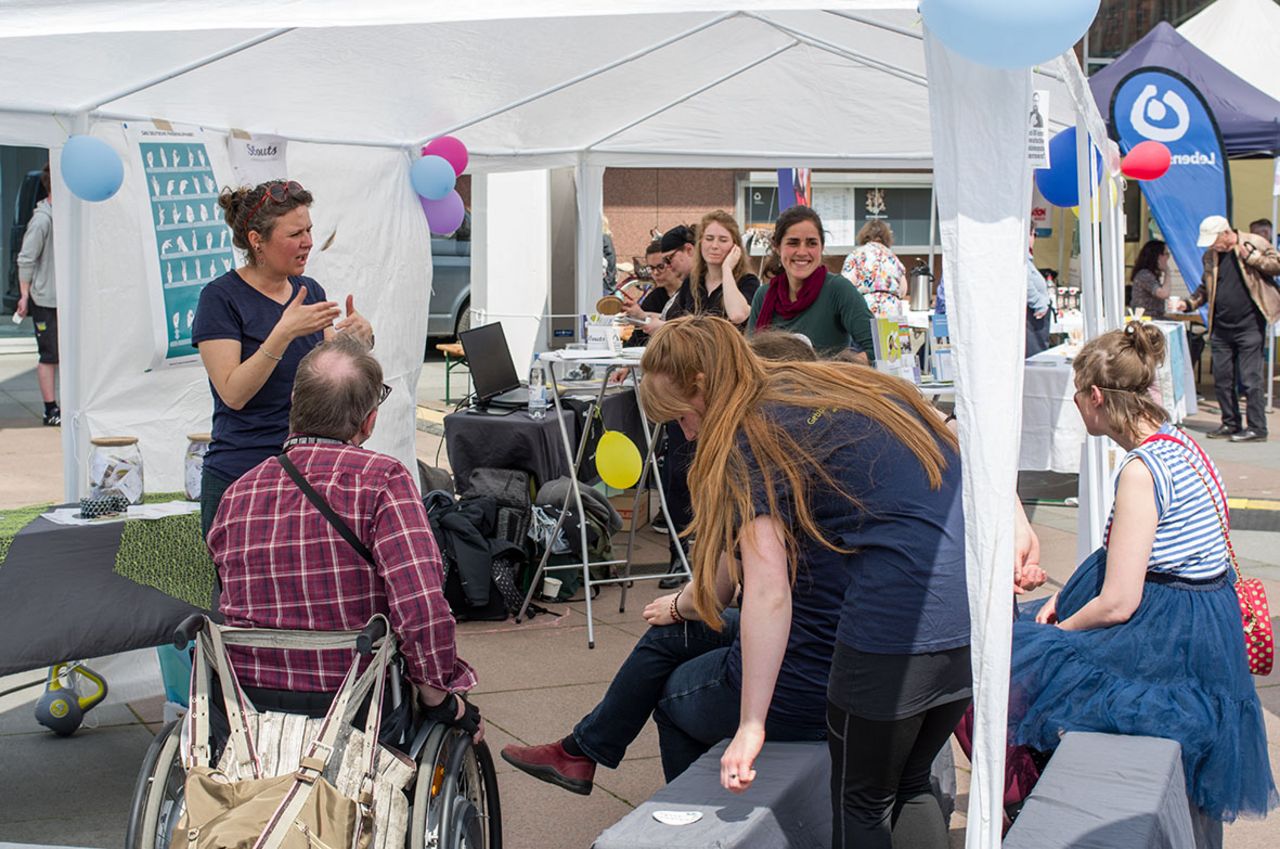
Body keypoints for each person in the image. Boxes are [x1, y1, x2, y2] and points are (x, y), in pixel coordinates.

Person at [652, 316, 968, 849]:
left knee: (863, 803)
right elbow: (956, 430)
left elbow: (769, 593)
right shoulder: (833, 381)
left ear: (702, 386)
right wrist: (1017, 524)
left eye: (681, 415)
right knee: (910, 783)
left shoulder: (749, 437)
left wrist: (751, 723)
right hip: (970, 616)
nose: (685, 433)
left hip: (892, 628)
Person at [1008, 323, 1275, 839]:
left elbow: (1118, 602)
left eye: (1076, 396)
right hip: (1206, 625)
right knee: (1194, 780)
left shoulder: (1141, 470)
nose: (1076, 407)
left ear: (1096, 396)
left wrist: (1060, 631)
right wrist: (1066, 595)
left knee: (1023, 655)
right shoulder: (1183, 443)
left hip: (1164, 636)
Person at [207, 334, 478, 726]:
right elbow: (420, 606)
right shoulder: (383, 481)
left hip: (249, 703)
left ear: (294, 404)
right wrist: (437, 691)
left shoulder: (238, 493)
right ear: (369, 422)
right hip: (357, 701)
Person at [192, 179, 373, 535]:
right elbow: (233, 393)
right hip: (242, 476)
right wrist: (284, 332)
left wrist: (358, 341)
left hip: (309, 475)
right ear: (257, 240)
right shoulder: (220, 298)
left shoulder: (310, 291)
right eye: (295, 234)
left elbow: (328, 379)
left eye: (309, 230)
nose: (308, 242)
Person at [1175, 215, 1280, 443]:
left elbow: (1276, 266)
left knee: (1250, 378)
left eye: (1214, 241)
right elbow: (1205, 288)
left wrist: (1252, 257)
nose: (1213, 246)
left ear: (1225, 233)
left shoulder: (1253, 242)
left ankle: (1257, 428)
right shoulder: (1210, 256)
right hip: (1221, 326)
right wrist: (1189, 303)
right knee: (1223, 379)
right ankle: (1230, 422)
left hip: (1250, 324)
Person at [749, 206, 875, 360]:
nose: (802, 252)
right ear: (777, 247)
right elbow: (749, 357)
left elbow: (880, 347)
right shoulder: (763, 296)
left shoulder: (838, 290)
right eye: (793, 243)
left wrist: (837, 368)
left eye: (811, 243)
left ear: (822, 247)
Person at [14, 164, 60, 427]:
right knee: (49, 355)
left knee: (66, 355)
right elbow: (26, 258)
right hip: (45, 299)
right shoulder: (43, 220)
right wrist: (24, 296)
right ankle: (50, 409)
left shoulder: (65, 219)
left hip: (63, 300)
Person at [667, 210, 760, 326]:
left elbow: (738, 315)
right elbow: (673, 320)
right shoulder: (692, 281)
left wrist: (727, 269)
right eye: (709, 239)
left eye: (723, 240)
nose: (714, 246)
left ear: (735, 246)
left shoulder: (748, 282)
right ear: (700, 243)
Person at [621, 238, 682, 347]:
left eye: (661, 267)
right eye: (651, 268)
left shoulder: (691, 293)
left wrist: (644, 316)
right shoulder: (654, 297)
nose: (655, 273)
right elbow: (636, 340)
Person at [841, 220, 907, 318]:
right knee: (890, 329)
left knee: (867, 329)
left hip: (865, 309)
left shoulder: (856, 255)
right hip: (892, 311)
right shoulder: (893, 257)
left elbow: (846, 286)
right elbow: (903, 290)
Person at [1128, 239, 1171, 319]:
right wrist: (1167, 271)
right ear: (1157, 256)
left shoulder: (1151, 275)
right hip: (1146, 320)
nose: (1168, 258)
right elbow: (1164, 294)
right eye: (1166, 254)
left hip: (1155, 317)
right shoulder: (1144, 275)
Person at [1026, 228, 1052, 357]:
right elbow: (1025, 283)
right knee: (1035, 357)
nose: (1034, 238)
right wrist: (1038, 304)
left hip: (1035, 315)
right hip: (1033, 316)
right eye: (1033, 234)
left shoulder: (1026, 257)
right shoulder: (1021, 258)